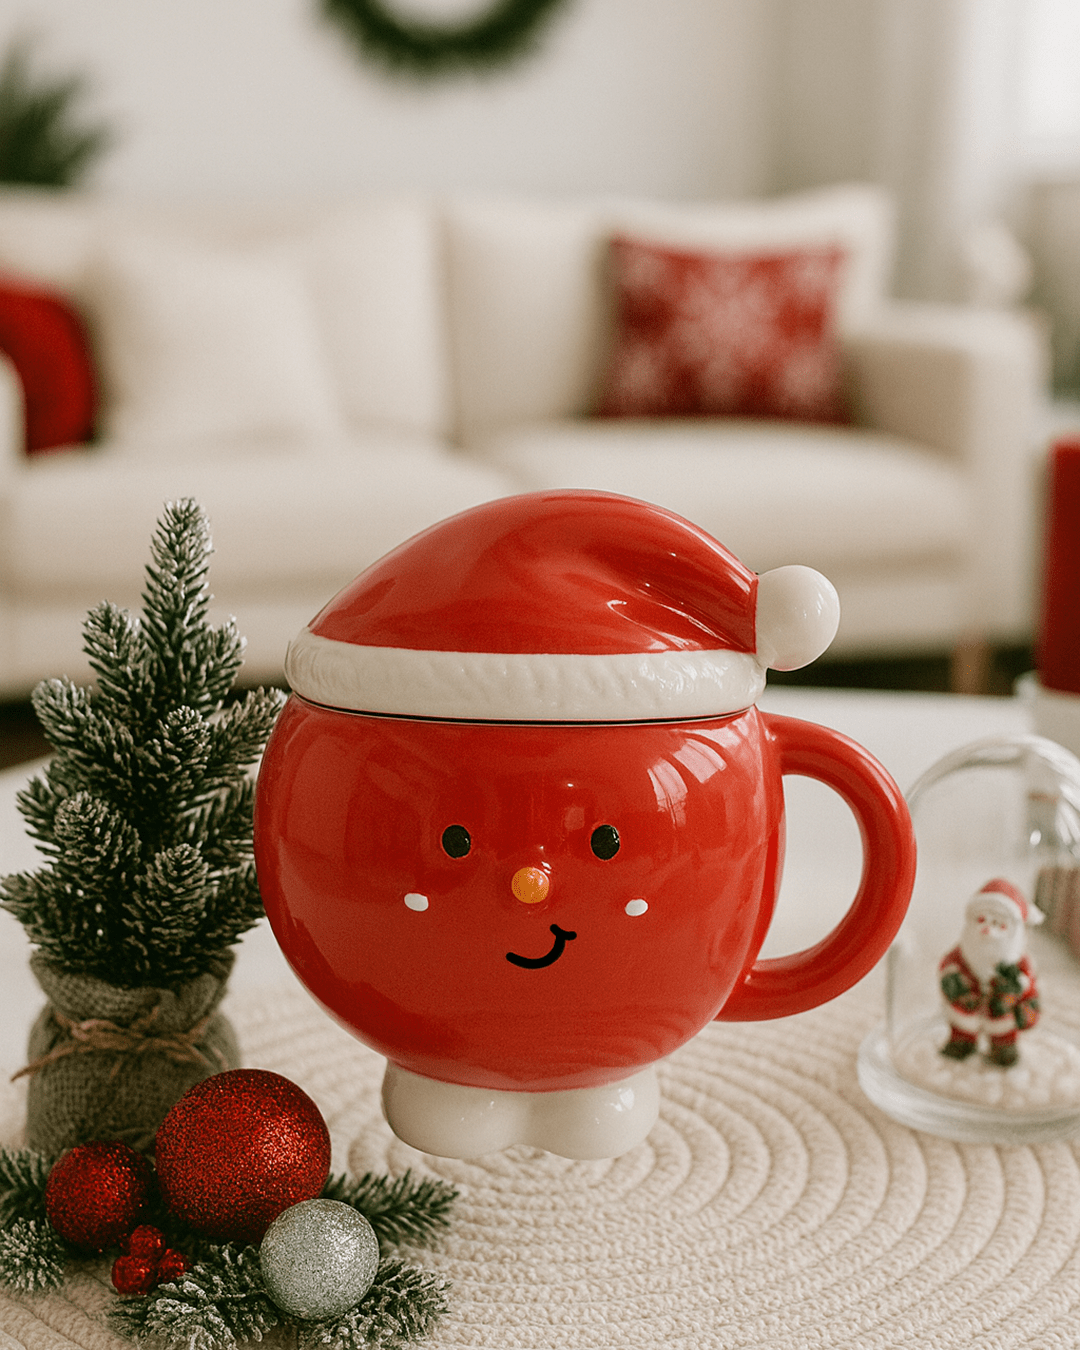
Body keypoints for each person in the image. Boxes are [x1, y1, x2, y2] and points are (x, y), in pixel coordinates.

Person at [939, 877, 1041, 1067]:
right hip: (966, 1006)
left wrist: (1020, 993)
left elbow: (1028, 987)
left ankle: (1003, 1048)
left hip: (1002, 1011)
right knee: (962, 1025)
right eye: (981, 919)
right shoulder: (963, 952)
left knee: (1003, 1032)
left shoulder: (1018, 961)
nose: (987, 929)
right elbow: (947, 966)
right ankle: (962, 1043)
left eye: (998, 924)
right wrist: (951, 980)